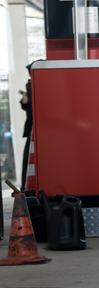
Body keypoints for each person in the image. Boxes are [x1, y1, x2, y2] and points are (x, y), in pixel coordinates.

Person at [20, 62, 34, 191]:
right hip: (33, 127)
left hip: (33, 127)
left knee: (28, 158)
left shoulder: (31, 85)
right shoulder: (30, 85)